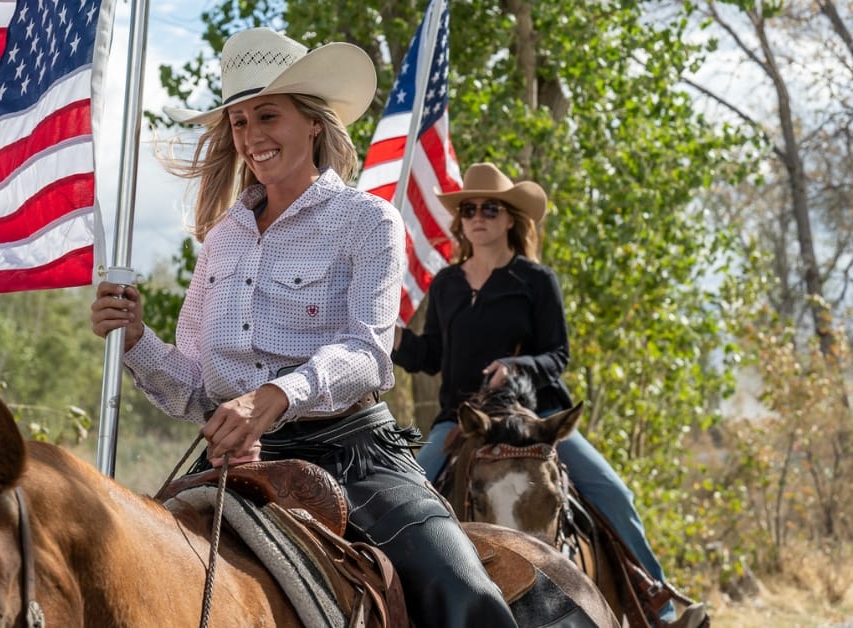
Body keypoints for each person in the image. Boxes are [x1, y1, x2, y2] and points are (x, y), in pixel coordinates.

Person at [90, 28, 517, 628]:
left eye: (268, 116)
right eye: (239, 122)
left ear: (313, 122)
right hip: (232, 461)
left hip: (352, 455)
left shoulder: (367, 221)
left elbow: (368, 353)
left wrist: (275, 396)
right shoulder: (221, 241)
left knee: (463, 592)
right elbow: (197, 387)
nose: (252, 137)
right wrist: (136, 341)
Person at [392, 161, 701, 623]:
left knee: (612, 492)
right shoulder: (447, 284)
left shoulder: (536, 280)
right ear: (461, 221)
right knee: (405, 497)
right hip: (465, 421)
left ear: (511, 219)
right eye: (470, 209)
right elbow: (432, 355)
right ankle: (396, 606)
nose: (479, 216)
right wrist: (394, 339)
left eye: (490, 209)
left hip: (538, 416)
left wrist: (516, 365)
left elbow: (557, 354)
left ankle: (658, 601)